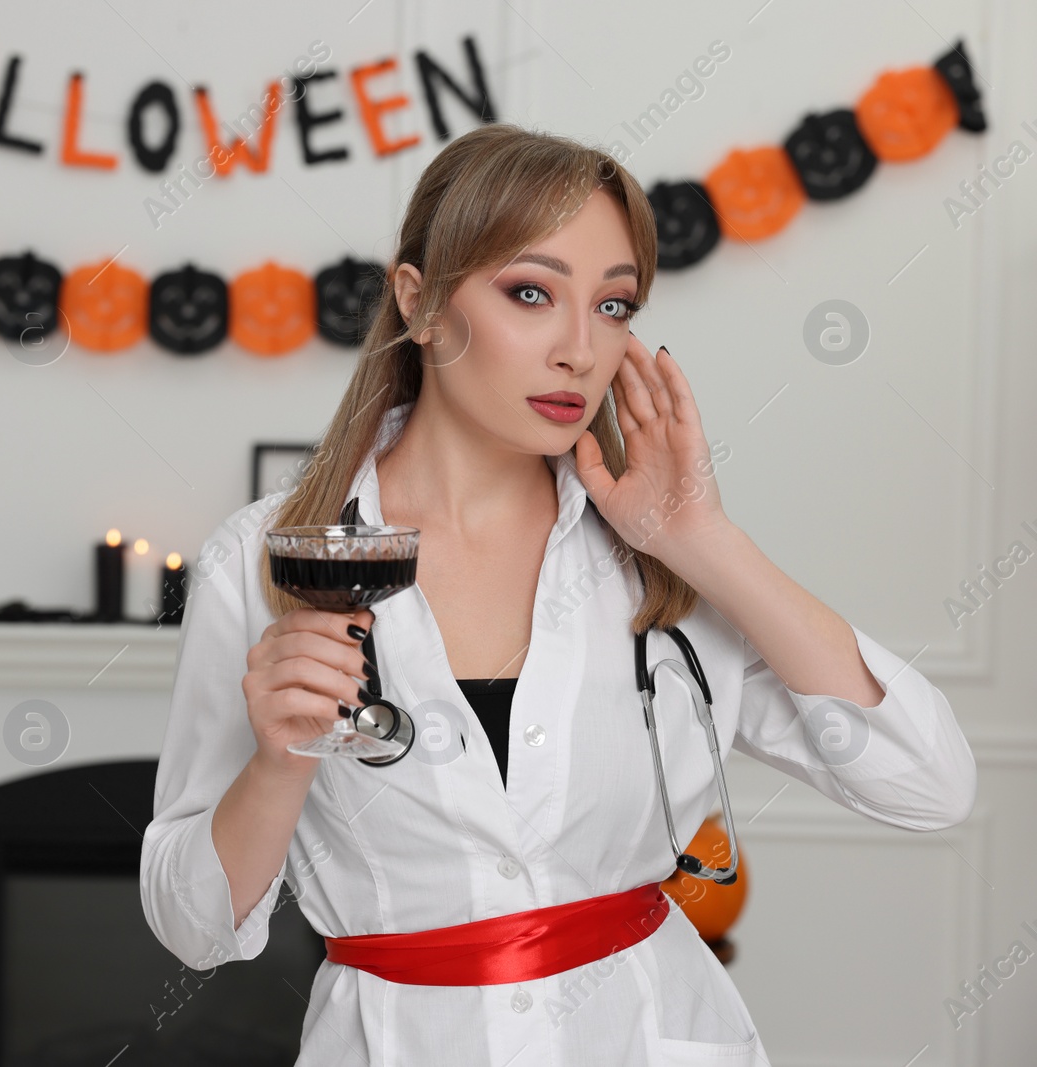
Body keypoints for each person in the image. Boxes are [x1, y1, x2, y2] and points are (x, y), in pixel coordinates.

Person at [138, 122, 977, 1065]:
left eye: (614, 305)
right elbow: (192, 925)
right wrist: (280, 764)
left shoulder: (657, 558)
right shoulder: (264, 562)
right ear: (417, 302)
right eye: (531, 293)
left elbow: (929, 785)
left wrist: (708, 543)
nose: (582, 349)